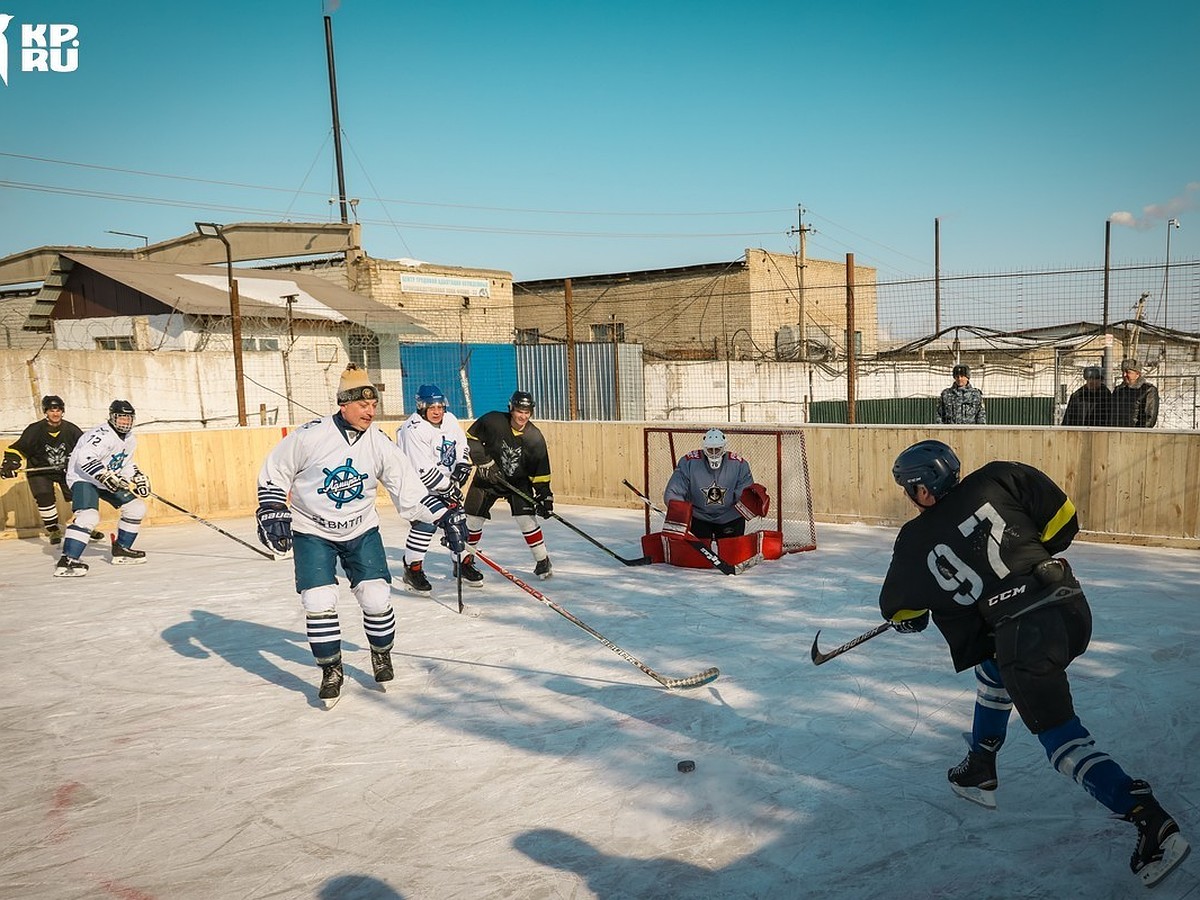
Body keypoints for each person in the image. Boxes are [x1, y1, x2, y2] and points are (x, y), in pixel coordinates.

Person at [878, 440, 1189, 888]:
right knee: (994, 667)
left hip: (1026, 636)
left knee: (1061, 741)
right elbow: (1064, 521)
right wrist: (1018, 565)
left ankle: (1149, 819)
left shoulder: (915, 539)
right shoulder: (1001, 475)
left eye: (910, 489)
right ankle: (981, 764)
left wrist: (916, 616)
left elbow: (902, 611)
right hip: (1069, 606)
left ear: (923, 490)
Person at [255, 364, 469, 706]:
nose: (371, 411)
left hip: (361, 529)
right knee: (318, 601)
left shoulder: (379, 443)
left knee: (376, 598)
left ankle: (381, 654)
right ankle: (331, 670)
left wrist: (444, 516)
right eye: (363, 405)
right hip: (312, 530)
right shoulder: (310, 435)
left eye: (374, 405)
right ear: (344, 405)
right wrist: (270, 507)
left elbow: (408, 490)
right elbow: (275, 471)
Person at [55, 400, 153, 577]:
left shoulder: (130, 438)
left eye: (128, 418)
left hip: (107, 479)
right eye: (121, 418)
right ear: (112, 417)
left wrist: (137, 477)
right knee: (88, 516)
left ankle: (122, 550)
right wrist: (103, 475)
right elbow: (84, 458)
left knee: (136, 508)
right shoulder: (102, 435)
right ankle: (68, 560)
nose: (125, 422)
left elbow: (124, 462)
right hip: (83, 478)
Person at [396, 384, 478, 592]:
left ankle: (462, 563)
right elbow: (422, 470)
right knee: (427, 523)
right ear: (421, 407)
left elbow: (461, 444)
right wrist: (448, 488)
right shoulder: (413, 429)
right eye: (432, 407)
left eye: (440, 406)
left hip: (444, 483)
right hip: (416, 487)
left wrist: (462, 463)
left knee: (457, 519)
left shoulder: (449, 419)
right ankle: (412, 569)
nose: (437, 411)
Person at [463, 390, 554, 579]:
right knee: (472, 519)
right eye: (519, 411)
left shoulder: (534, 437)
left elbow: (540, 470)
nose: (523, 416)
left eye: (527, 412)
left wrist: (545, 495)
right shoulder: (493, 421)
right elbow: (471, 438)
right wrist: (484, 461)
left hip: (517, 482)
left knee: (527, 520)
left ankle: (542, 561)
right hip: (487, 477)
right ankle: (465, 562)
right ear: (511, 409)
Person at [1, 395, 102, 544]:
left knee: (80, 494)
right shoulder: (34, 430)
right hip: (39, 470)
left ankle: (84, 525)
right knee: (44, 498)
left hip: (65, 470)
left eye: (58, 410)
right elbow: (18, 449)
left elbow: (86, 449)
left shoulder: (71, 429)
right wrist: (11, 463)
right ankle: (53, 530)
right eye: (51, 410)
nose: (55, 414)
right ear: (45, 412)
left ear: (62, 411)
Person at [662, 428, 764, 540]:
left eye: (718, 449)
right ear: (704, 448)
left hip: (730, 517)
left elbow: (744, 494)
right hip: (698, 517)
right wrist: (680, 514)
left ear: (724, 448)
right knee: (696, 556)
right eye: (711, 450)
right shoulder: (689, 462)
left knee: (731, 554)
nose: (714, 453)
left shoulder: (739, 464)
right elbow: (673, 492)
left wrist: (751, 504)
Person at [1110, 358, 1159, 428]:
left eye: (1128, 372)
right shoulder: (1118, 390)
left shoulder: (1148, 390)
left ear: (1137, 374)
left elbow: (1149, 418)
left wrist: (1138, 433)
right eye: (1123, 372)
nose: (1124, 375)